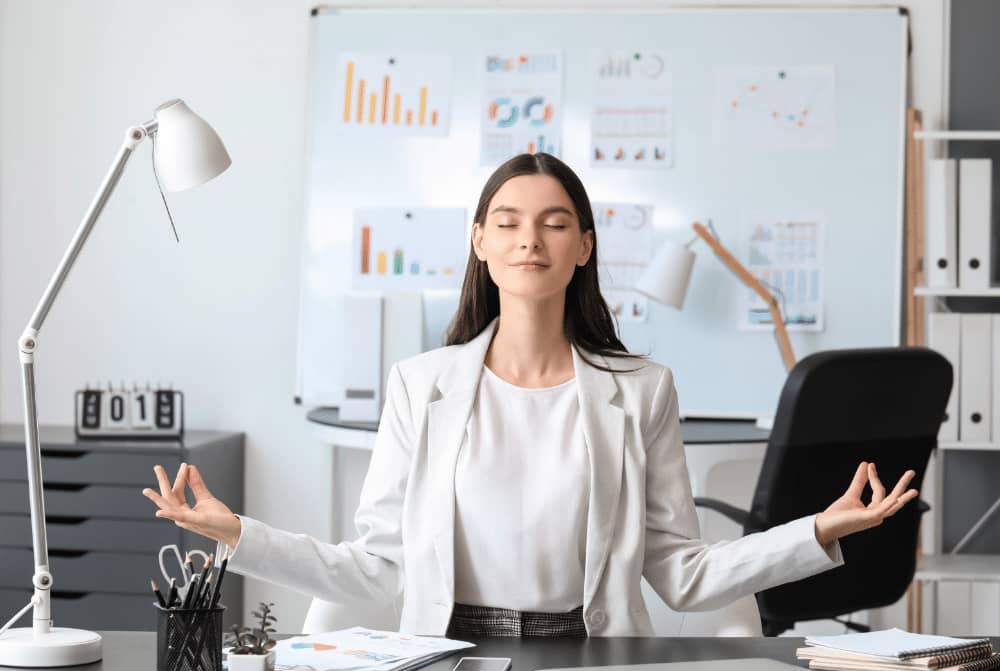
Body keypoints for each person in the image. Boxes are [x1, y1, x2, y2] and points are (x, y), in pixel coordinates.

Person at [142, 153, 918, 638]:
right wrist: (235, 531)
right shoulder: (422, 385)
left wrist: (817, 530)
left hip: (592, 657)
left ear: (583, 248)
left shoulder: (642, 390)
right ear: (480, 241)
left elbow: (681, 573)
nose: (530, 241)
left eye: (554, 224)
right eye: (508, 222)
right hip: (447, 660)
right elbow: (376, 569)